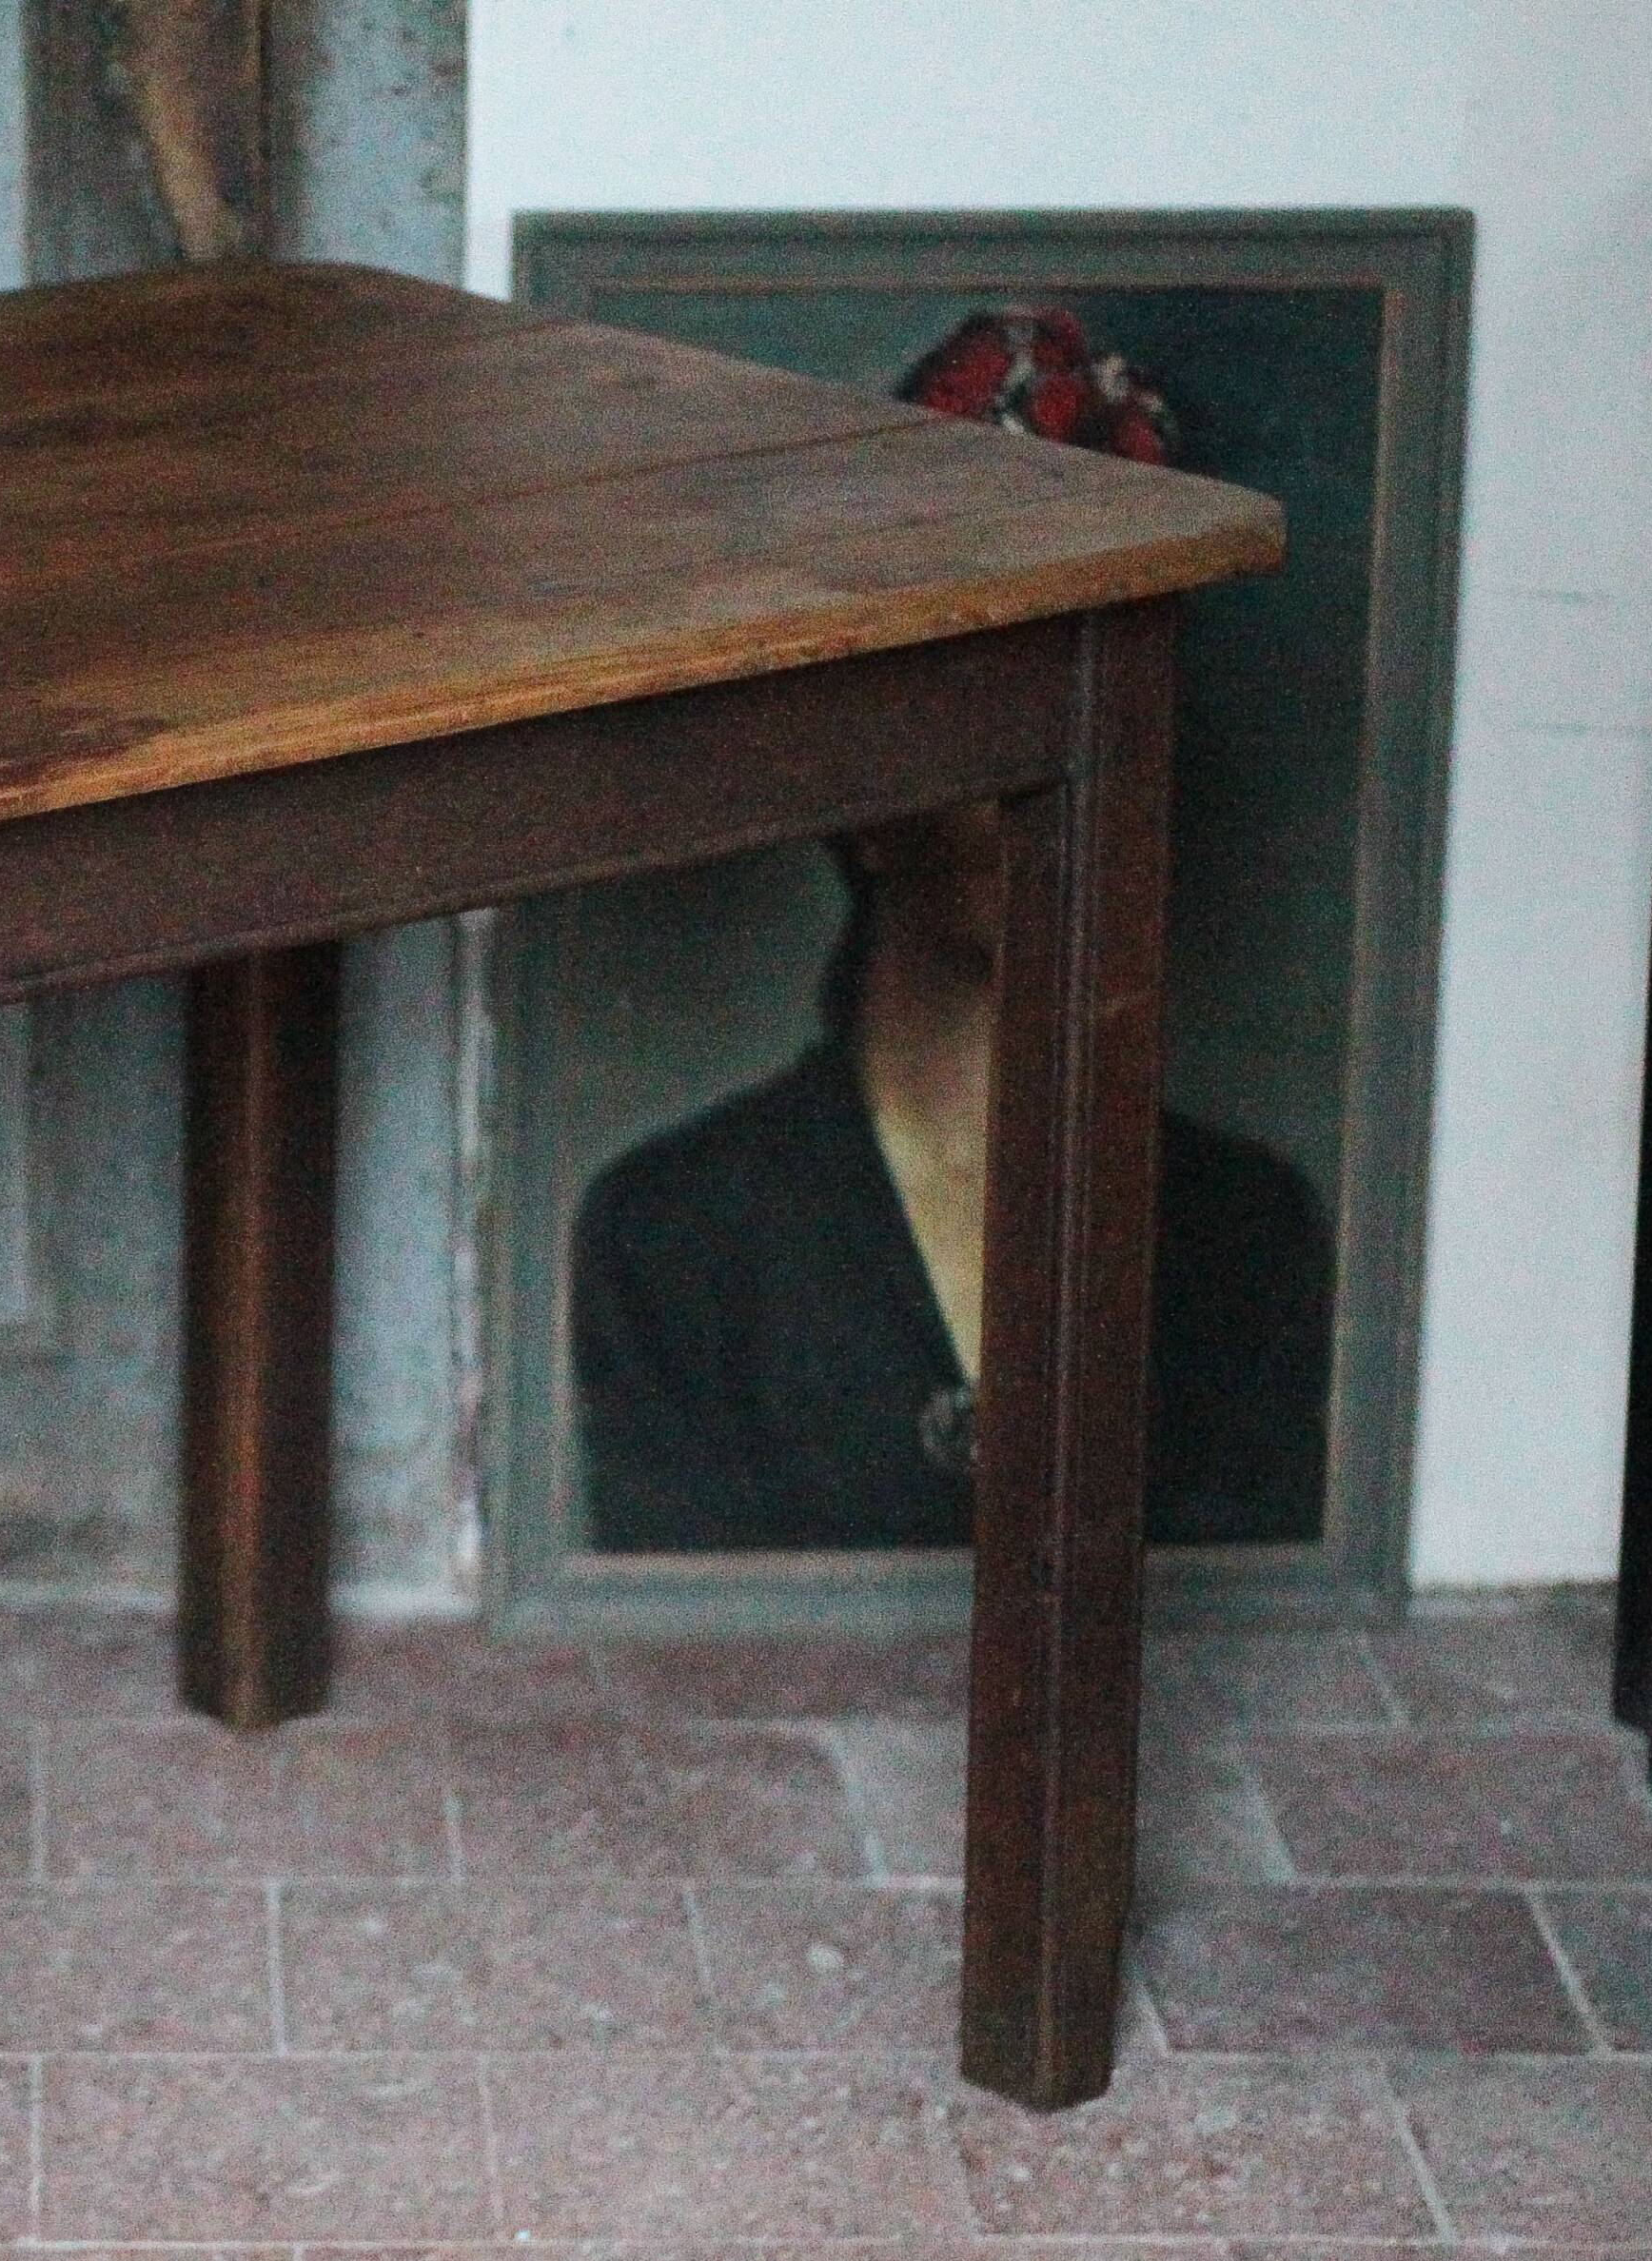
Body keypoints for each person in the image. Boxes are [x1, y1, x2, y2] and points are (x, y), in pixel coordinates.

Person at [570, 307, 1333, 1554]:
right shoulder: (673, 1234)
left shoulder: (1247, 1234)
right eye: (1011, 729)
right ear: (878, 798)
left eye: (1119, 723)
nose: (1077, 798)